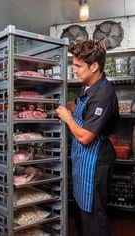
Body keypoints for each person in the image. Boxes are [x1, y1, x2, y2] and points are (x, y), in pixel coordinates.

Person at [56, 40, 119, 236]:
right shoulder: (87, 87)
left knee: (94, 215)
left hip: (95, 160)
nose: (74, 70)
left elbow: (84, 137)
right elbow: (79, 107)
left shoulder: (104, 95)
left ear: (94, 66)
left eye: (78, 66)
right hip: (82, 160)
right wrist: (69, 108)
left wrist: (67, 118)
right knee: (82, 212)